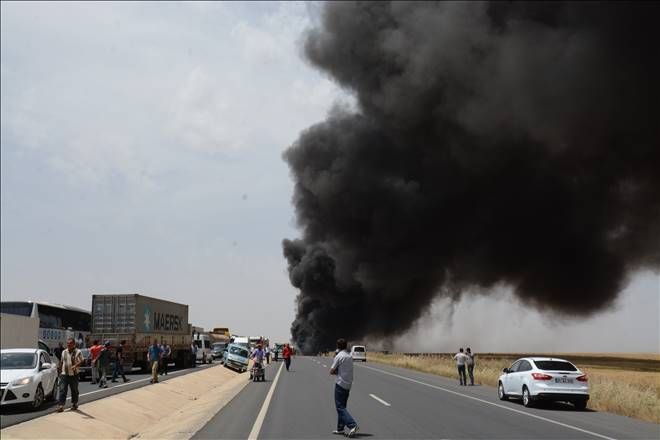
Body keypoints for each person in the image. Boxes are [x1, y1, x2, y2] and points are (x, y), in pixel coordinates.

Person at [330, 338, 358, 438]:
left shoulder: (339, 356)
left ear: (338, 346)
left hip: (340, 384)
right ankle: (340, 428)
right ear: (346, 346)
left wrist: (335, 356)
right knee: (342, 407)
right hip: (348, 385)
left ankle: (352, 425)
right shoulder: (350, 356)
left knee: (340, 407)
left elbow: (331, 371)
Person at [56, 337, 83, 412]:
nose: (69, 345)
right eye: (68, 343)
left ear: (74, 344)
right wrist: (59, 371)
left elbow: (82, 360)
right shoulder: (64, 352)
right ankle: (61, 405)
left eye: (70, 343)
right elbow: (61, 362)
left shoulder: (78, 351)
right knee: (62, 390)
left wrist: (75, 365)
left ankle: (74, 404)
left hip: (74, 375)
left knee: (74, 390)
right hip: (64, 374)